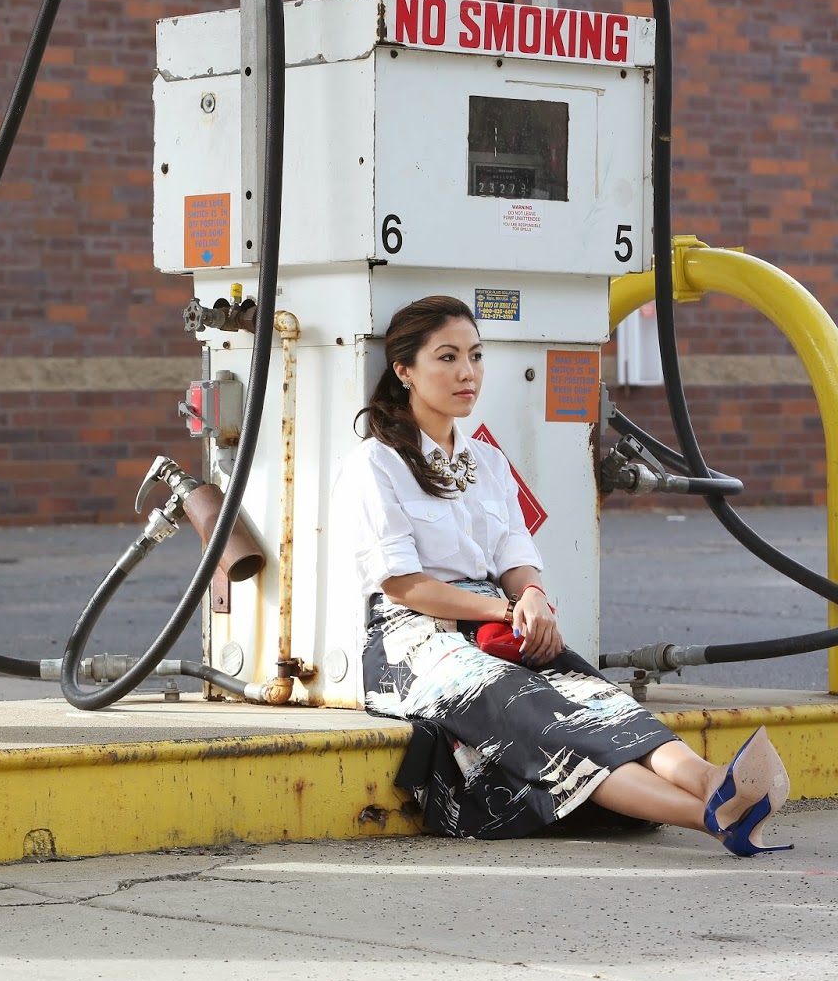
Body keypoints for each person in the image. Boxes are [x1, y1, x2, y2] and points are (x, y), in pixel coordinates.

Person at [337, 294, 792, 856]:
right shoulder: (376, 463)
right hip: (413, 641)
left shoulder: (488, 461)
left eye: (475, 356)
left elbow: (513, 550)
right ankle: (710, 817)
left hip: (497, 623)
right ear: (404, 371)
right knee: (542, 717)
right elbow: (402, 584)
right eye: (447, 357)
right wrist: (509, 609)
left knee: (596, 699)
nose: (467, 373)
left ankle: (711, 779)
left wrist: (532, 594)